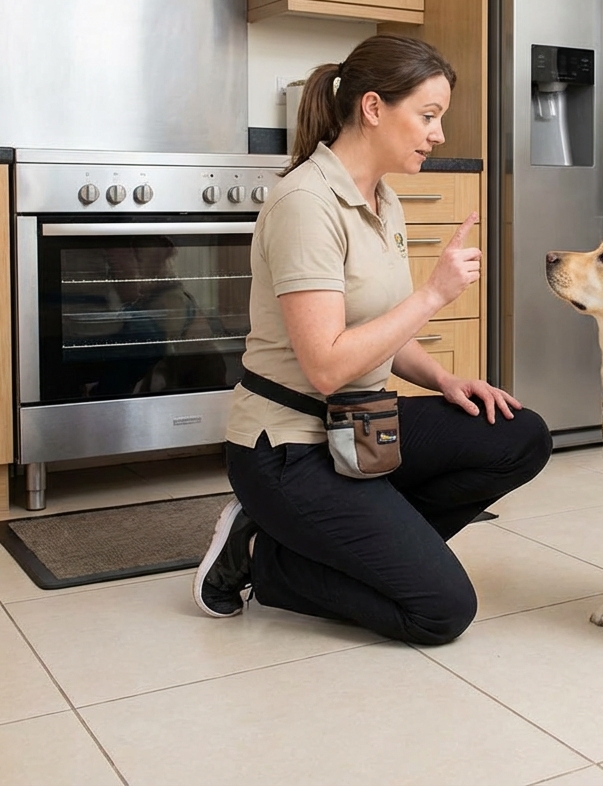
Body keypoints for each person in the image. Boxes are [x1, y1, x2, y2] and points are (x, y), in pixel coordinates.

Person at [192, 34, 552, 645]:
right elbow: (329, 365)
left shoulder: (383, 198)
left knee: (520, 435)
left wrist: (444, 379)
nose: (438, 134)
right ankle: (263, 560)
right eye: (428, 115)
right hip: (290, 449)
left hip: (360, 427)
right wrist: (433, 294)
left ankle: (360, 544)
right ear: (374, 107)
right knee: (442, 611)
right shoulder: (306, 203)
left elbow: (379, 330)